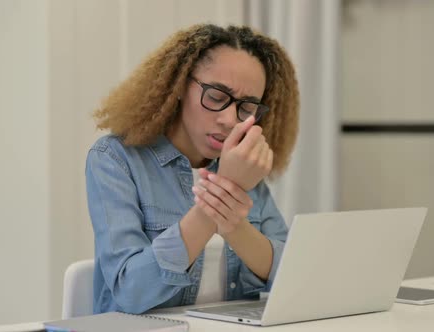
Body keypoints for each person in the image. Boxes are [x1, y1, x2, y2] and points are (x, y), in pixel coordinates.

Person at [85, 24, 299, 314]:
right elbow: (131, 290)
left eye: (247, 107)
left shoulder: (242, 166)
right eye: (216, 96)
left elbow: (293, 278)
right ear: (179, 85)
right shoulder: (116, 159)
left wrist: (234, 224)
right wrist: (227, 187)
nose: (229, 120)